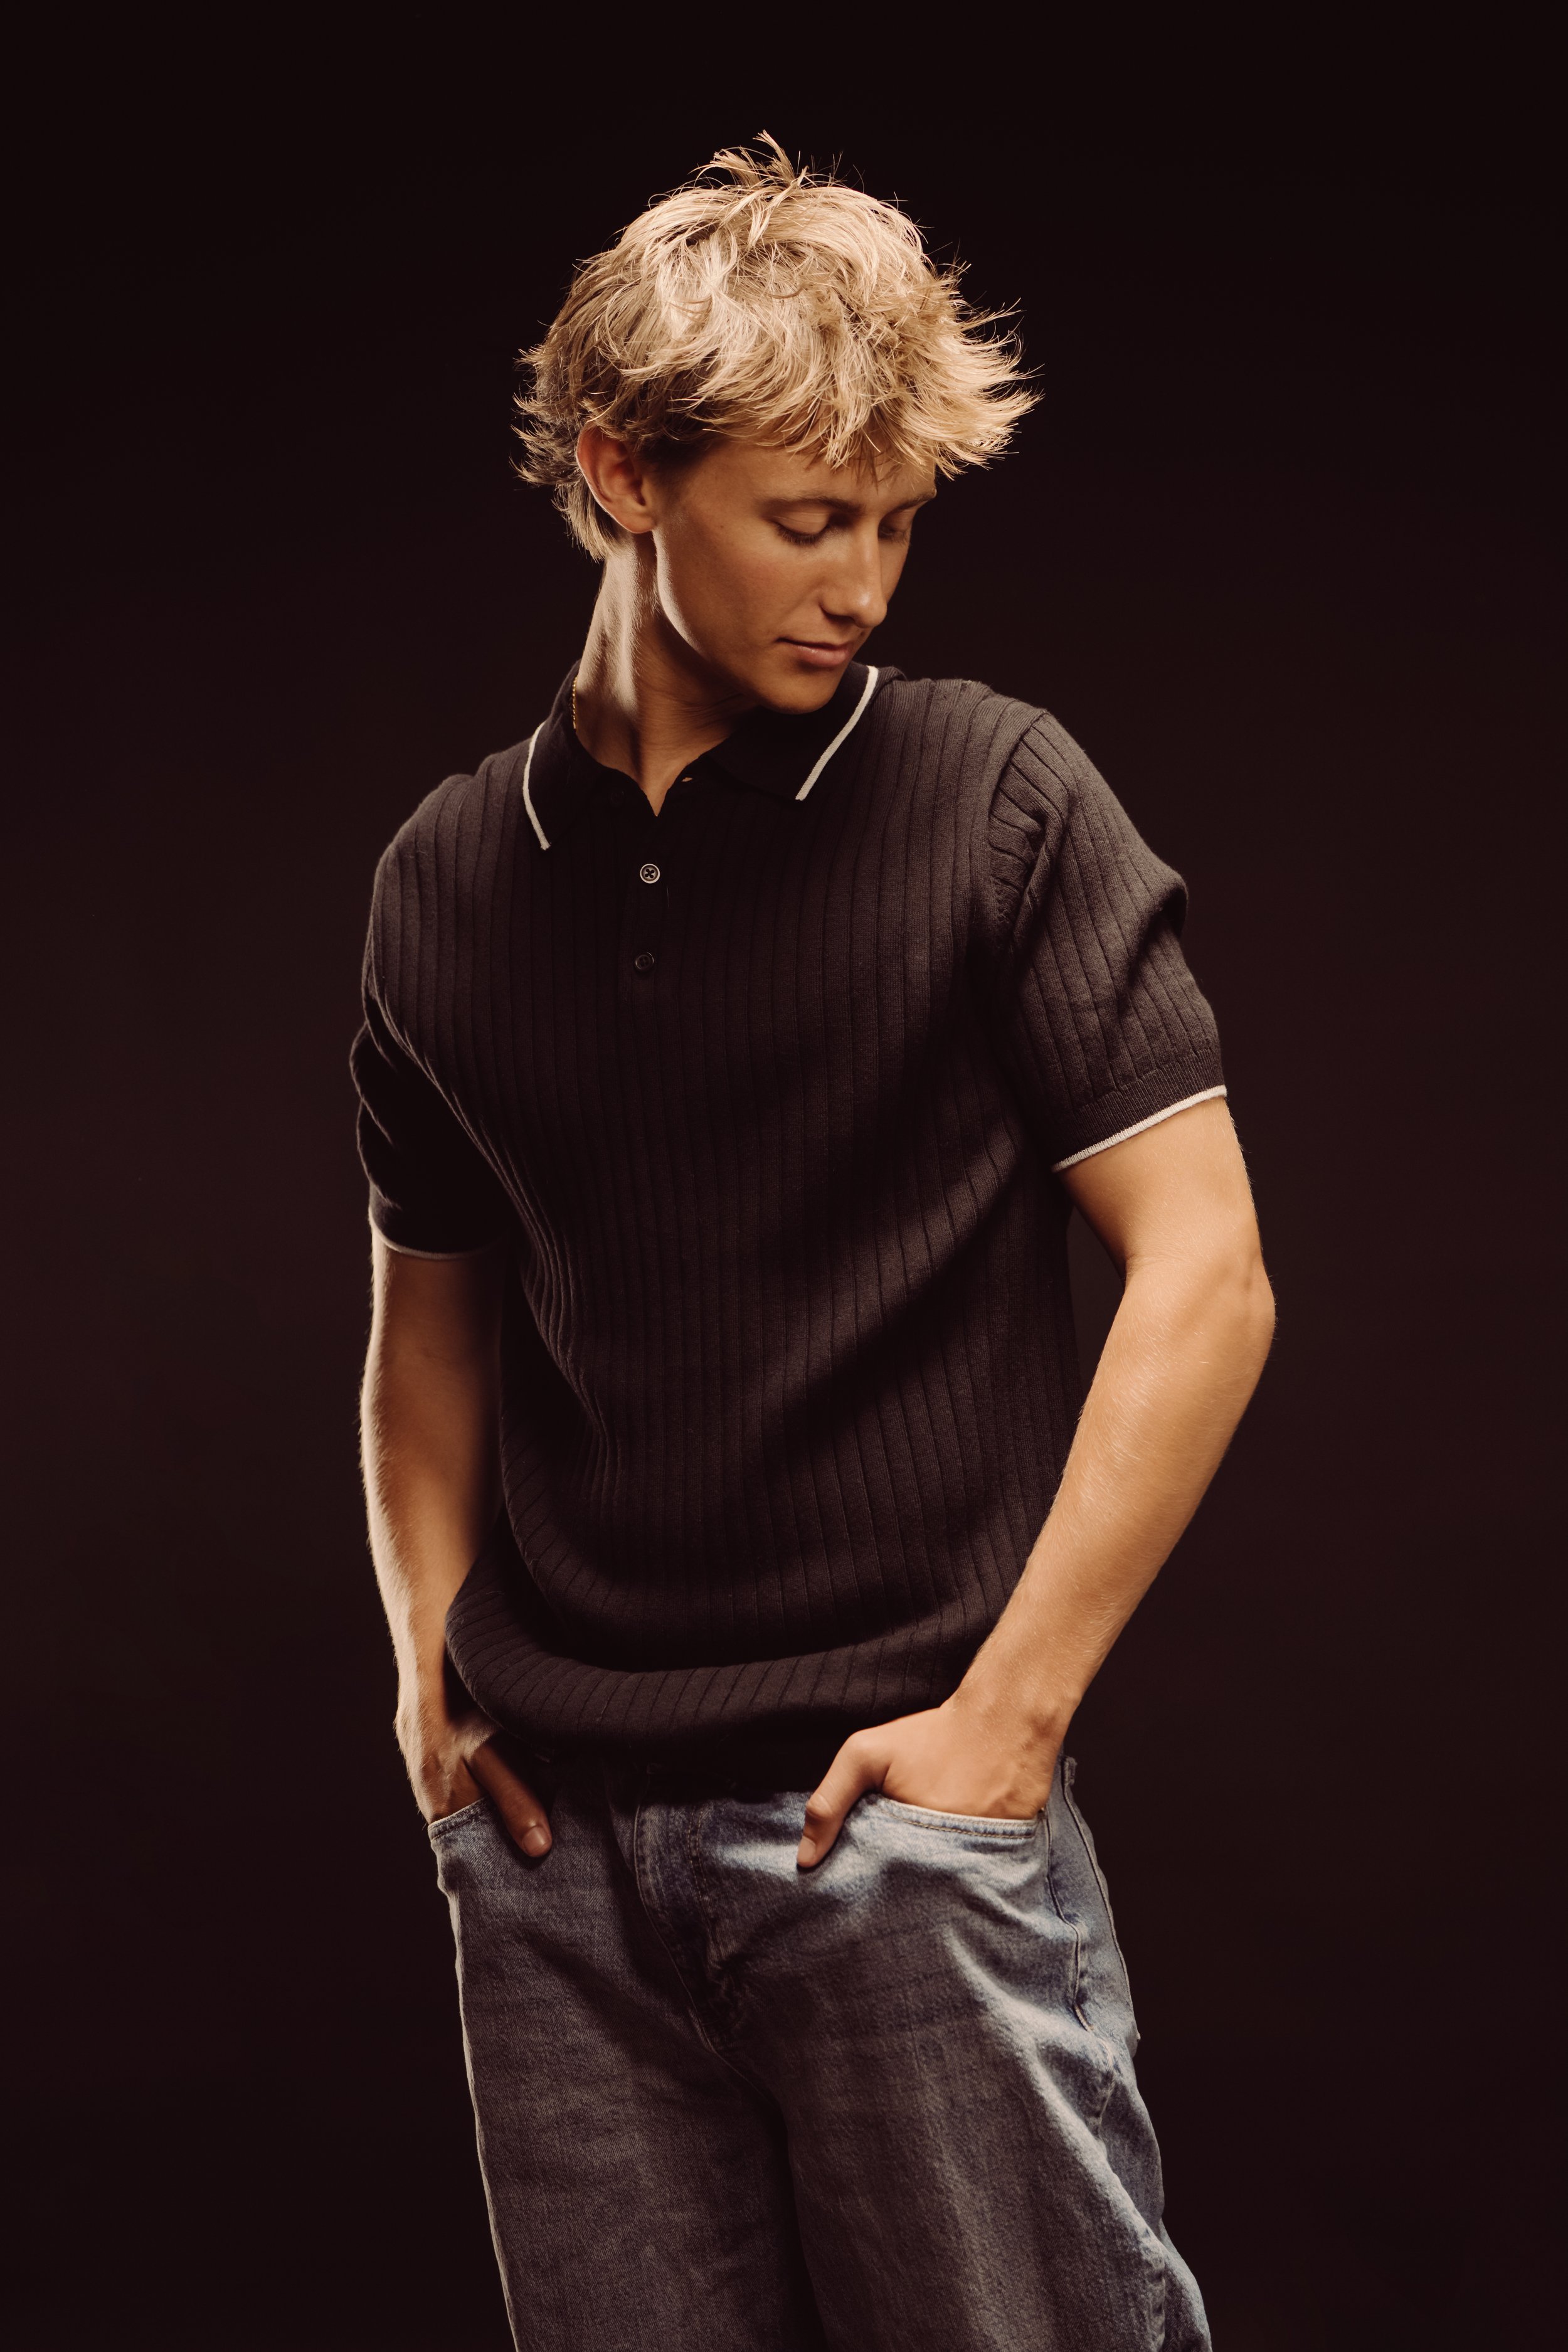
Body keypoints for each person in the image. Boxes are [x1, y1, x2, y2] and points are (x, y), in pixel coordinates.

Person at [353, 138, 1274, 2352]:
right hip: (561, 1861)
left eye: (891, 524)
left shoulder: (996, 799)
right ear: (620, 475)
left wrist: (1008, 1726)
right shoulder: (444, 883)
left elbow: (1209, 1274)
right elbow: (426, 1347)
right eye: (805, 519)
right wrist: (426, 1666)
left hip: (900, 1827)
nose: (862, 578)